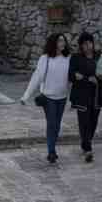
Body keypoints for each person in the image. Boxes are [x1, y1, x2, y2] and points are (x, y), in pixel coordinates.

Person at [22, 33, 71, 164]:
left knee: (57, 125)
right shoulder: (45, 59)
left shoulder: (68, 58)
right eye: (60, 41)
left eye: (64, 41)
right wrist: (26, 95)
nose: (63, 43)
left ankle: (52, 147)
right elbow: (36, 77)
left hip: (62, 97)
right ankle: (51, 151)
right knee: (51, 123)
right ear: (53, 42)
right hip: (48, 98)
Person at [69, 32, 102, 163]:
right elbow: (71, 75)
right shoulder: (76, 58)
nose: (88, 46)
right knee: (84, 121)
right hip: (81, 95)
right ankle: (88, 149)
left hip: (97, 94)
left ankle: (86, 142)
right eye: (85, 44)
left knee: (93, 121)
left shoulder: (100, 57)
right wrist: (84, 78)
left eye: (90, 42)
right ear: (81, 45)